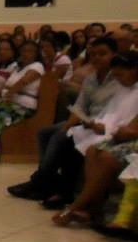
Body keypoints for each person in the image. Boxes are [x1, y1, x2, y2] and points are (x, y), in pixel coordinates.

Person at [8, 36, 121, 207]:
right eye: (93, 54)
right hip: (86, 120)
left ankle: (41, 181)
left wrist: (78, 125)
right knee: (45, 132)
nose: (97, 57)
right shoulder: (91, 79)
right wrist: (70, 123)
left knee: (60, 137)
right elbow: (80, 106)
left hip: (104, 124)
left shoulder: (119, 80)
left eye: (102, 54)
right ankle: (47, 179)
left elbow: (116, 110)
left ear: (114, 55)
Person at [53, 53, 138, 226]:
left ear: (135, 70)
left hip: (129, 137)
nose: (119, 79)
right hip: (117, 132)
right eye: (116, 75)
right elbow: (112, 114)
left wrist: (118, 130)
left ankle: (78, 206)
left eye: (121, 75)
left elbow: (132, 125)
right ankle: (94, 208)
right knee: (92, 150)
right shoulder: (123, 89)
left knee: (106, 158)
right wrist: (98, 125)